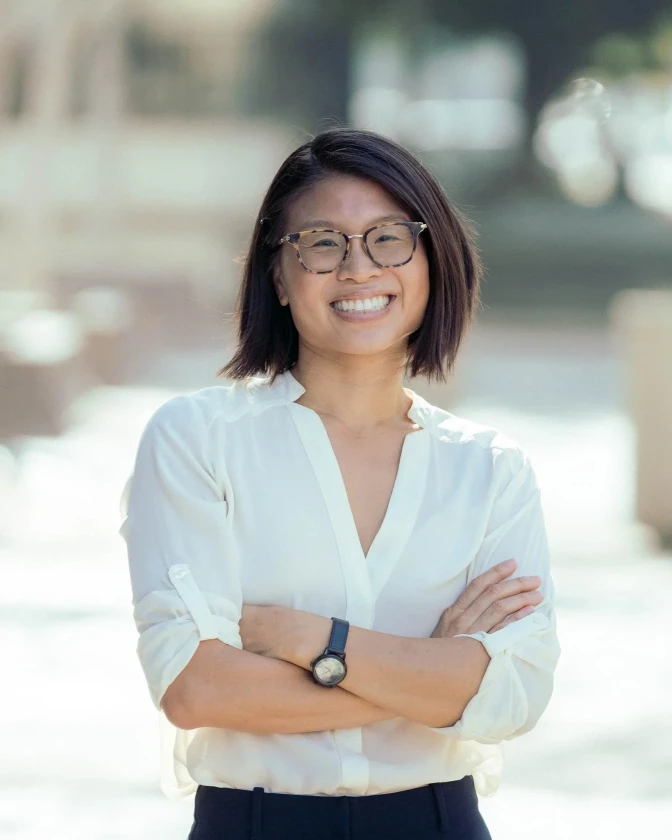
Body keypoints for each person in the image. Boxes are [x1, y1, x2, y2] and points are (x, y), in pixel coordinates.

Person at [119, 127, 561, 840]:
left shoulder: (490, 469)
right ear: (278, 276)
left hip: (439, 823)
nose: (359, 268)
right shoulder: (197, 440)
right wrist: (432, 671)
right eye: (323, 243)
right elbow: (194, 688)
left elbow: (516, 694)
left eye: (388, 238)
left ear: (432, 261)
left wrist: (308, 637)